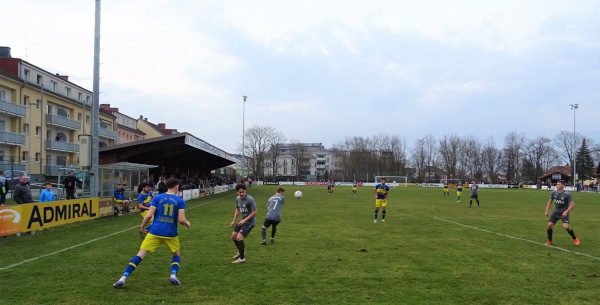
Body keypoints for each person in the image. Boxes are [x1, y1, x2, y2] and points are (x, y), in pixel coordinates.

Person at [113, 178, 190, 288]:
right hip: (170, 233)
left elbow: (149, 215)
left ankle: (123, 278)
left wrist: (142, 226)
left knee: (140, 255)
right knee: (176, 255)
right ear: (177, 187)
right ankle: (173, 275)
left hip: (155, 231)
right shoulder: (180, 201)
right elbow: (181, 220)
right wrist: (187, 223)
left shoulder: (157, 197)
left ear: (167, 186)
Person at [544, 180, 579, 246]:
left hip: (564, 213)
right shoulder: (554, 192)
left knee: (566, 227)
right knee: (549, 225)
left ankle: (575, 238)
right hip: (556, 212)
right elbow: (550, 202)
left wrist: (566, 211)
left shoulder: (567, 194)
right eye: (557, 184)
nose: (557, 185)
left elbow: (572, 204)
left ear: (563, 185)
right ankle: (549, 241)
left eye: (559, 184)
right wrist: (546, 211)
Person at [229, 183, 257, 264]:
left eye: (243, 192)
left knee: (239, 237)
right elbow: (237, 209)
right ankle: (241, 252)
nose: (241, 194)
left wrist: (244, 220)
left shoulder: (250, 199)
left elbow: (254, 212)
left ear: (245, 191)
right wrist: (234, 221)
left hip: (250, 222)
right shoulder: (237, 199)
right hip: (243, 221)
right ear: (237, 192)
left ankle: (242, 258)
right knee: (233, 236)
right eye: (239, 192)